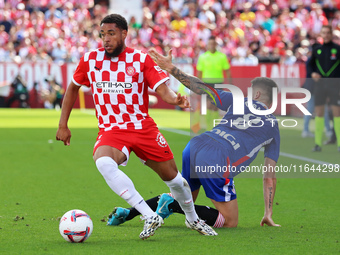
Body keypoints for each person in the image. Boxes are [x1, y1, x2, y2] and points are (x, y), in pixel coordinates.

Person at [55, 14, 217, 240]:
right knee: (103, 161)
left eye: (111, 33)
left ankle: (192, 218)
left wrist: (175, 100)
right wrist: (63, 124)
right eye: (102, 35)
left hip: (143, 129)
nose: (106, 40)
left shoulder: (140, 60)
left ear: (124, 34)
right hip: (112, 131)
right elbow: (72, 89)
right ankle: (149, 215)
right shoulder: (90, 60)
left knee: (175, 180)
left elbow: (163, 91)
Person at [106, 49, 281, 228]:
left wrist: (171, 68)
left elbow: (202, 88)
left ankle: (128, 213)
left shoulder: (239, 101)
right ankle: (172, 205)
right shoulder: (273, 127)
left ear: (257, 95)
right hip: (219, 156)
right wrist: (268, 212)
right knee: (230, 222)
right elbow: (269, 175)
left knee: (183, 194)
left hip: (197, 144)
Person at [308, 25, 340, 152]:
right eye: (324, 33)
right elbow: (310, 65)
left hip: (335, 85)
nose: (326, 35)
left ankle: (339, 144)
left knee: (337, 114)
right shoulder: (317, 49)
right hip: (320, 85)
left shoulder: (337, 49)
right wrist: (313, 74)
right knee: (319, 113)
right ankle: (317, 144)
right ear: (321, 34)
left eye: (328, 33)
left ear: (331, 34)